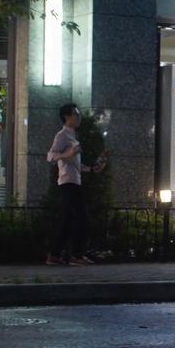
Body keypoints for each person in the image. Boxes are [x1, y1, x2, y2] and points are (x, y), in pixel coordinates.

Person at [45, 103, 106, 266]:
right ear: (67, 117)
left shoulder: (72, 136)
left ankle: (54, 255)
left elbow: (75, 164)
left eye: (78, 113)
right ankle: (76, 255)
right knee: (82, 218)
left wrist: (92, 169)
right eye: (75, 113)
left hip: (74, 181)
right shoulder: (62, 135)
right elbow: (50, 156)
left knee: (68, 220)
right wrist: (68, 153)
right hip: (68, 183)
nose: (78, 116)